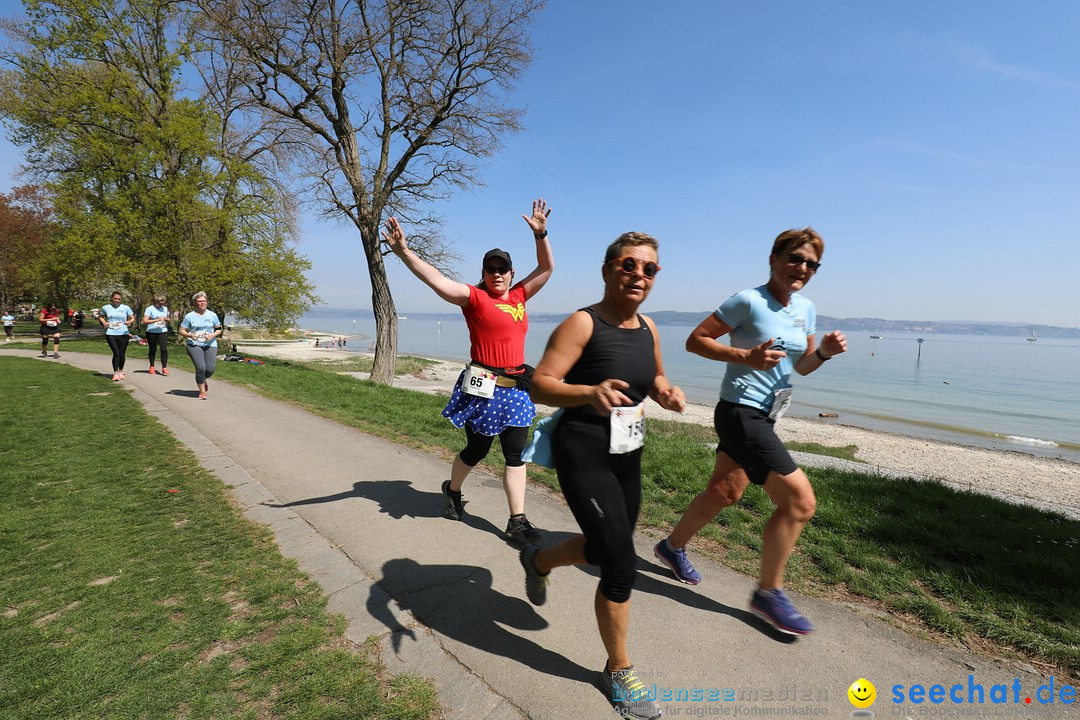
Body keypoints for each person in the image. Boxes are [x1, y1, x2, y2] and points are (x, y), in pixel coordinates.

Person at [522, 232, 685, 720]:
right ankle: (620, 669)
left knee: (602, 547)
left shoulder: (650, 327)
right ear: (608, 269)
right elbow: (540, 384)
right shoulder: (582, 323)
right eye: (629, 265)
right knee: (619, 562)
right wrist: (589, 392)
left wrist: (666, 392)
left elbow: (652, 376)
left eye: (649, 269)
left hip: (627, 450)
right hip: (584, 453)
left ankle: (540, 560)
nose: (639, 275)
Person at [653, 227, 847, 636]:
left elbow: (801, 366)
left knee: (725, 492)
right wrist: (745, 355)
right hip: (740, 413)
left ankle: (670, 547)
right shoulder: (747, 301)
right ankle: (768, 591)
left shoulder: (805, 309)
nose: (803, 268)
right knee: (799, 503)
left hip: (767, 416)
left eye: (812, 263)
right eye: (795, 258)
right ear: (774, 258)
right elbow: (695, 340)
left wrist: (824, 353)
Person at [382, 198, 554, 544]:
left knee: (515, 455)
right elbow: (436, 280)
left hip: (517, 389)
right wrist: (403, 252)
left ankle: (516, 520)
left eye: (502, 269)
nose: (496, 274)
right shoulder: (473, 297)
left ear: (511, 273)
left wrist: (541, 235)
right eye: (490, 269)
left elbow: (547, 268)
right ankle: (453, 490)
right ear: (484, 273)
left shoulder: (520, 295)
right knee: (476, 451)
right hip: (485, 389)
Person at [179, 291, 222, 400]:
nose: (202, 303)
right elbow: (181, 330)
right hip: (194, 344)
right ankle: (202, 392)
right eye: (199, 301)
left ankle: (202, 379)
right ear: (195, 303)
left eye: (204, 301)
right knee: (201, 367)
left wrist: (212, 336)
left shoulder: (212, 315)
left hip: (210, 344)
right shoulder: (189, 316)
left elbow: (218, 329)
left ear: (207, 302)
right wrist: (190, 335)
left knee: (210, 369)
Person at [99, 291, 136, 379]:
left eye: (119, 299)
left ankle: (121, 371)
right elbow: (100, 316)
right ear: (112, 298)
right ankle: (115, 373)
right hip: (111, 333)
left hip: (123, 333)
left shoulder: (125, 308)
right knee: (116, 353)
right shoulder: (106, 307)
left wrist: (129, 322)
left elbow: (133, 318)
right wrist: (104, 322)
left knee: (122, 354)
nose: (117, 301)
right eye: (115, 299)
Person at [142, 294, 171, 375]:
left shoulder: (165, 308)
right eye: (160, 301)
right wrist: (157, 320)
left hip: (162, 331)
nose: (162, 303)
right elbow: (145, 321)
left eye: (163, 301)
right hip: (152, 331)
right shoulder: (149, 309)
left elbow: (167, 318)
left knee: (164, 349)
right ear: (156, 301)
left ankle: (164, 367)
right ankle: (152, 366)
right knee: (153, 349)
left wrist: (166, 319)